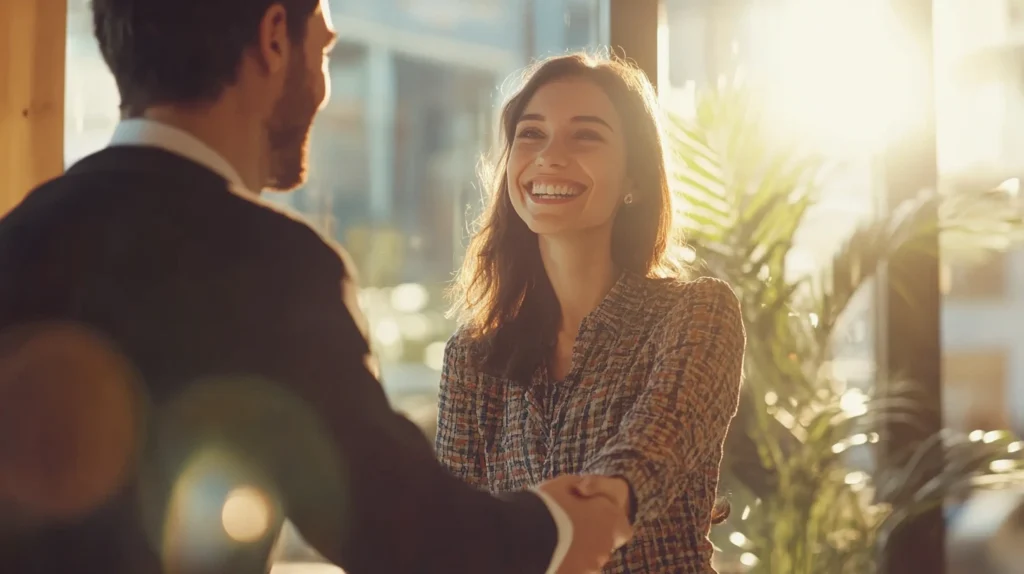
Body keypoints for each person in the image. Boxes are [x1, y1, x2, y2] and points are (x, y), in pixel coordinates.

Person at [0, 1, 632, 573]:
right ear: (275, 37)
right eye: (325, 50)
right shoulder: (272, 263)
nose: (325, 86)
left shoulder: (15, 240)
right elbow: (388, 522)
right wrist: (554, 530)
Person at [436, 53, 746, 573]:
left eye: (585, 136)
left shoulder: (696, 316)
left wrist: (590, 516)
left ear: (635, 181)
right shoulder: (474, 360)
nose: (549, 157)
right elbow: (453, 543)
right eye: (530, 135)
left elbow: (648, 459)